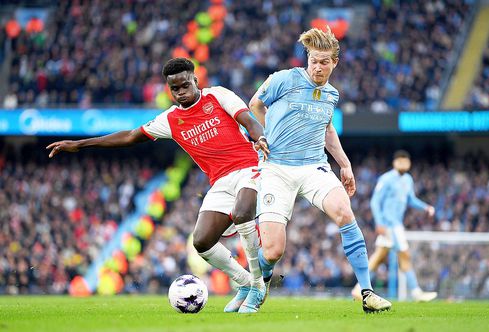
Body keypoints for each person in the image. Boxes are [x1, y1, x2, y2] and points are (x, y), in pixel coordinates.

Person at [47, 58, 270, 314]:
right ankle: (244, 282)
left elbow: (248, 120)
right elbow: (130, 136)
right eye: (174, 89)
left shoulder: (218, 96)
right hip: (219, 181)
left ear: (195, 81)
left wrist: (260, 136)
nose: (180, 92)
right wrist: (80, 144)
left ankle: (257, 287)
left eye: (185, 85)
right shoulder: (171, 119)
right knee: (201, 242)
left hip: (248, 167)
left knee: (243, 213)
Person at [249, 27, 391, 313]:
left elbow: (327, 130)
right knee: (273, 250)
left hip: (314, 166)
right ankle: (258, 281)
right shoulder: (284, 79)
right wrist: (265, 134)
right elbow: (255, 104)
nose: (317, 66)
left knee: (345, 212)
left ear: (334, 63)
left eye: (324, 61)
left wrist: (345, 164)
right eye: (313, 60)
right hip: (277, 168)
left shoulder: (331, 95)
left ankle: (367, 292)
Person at [351, 150, 438, 302]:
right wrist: (379, 222)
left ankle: (359, 288)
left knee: (379, 257)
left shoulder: (408, 180)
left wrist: (425, 207)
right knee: (404, 255)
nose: (403, 164)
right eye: (401, 161)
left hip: (396, 224)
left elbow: (411, 199)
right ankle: (416, 292)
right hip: (389, 225)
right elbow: (375, 201)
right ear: (395, 163)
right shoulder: (386, 179)